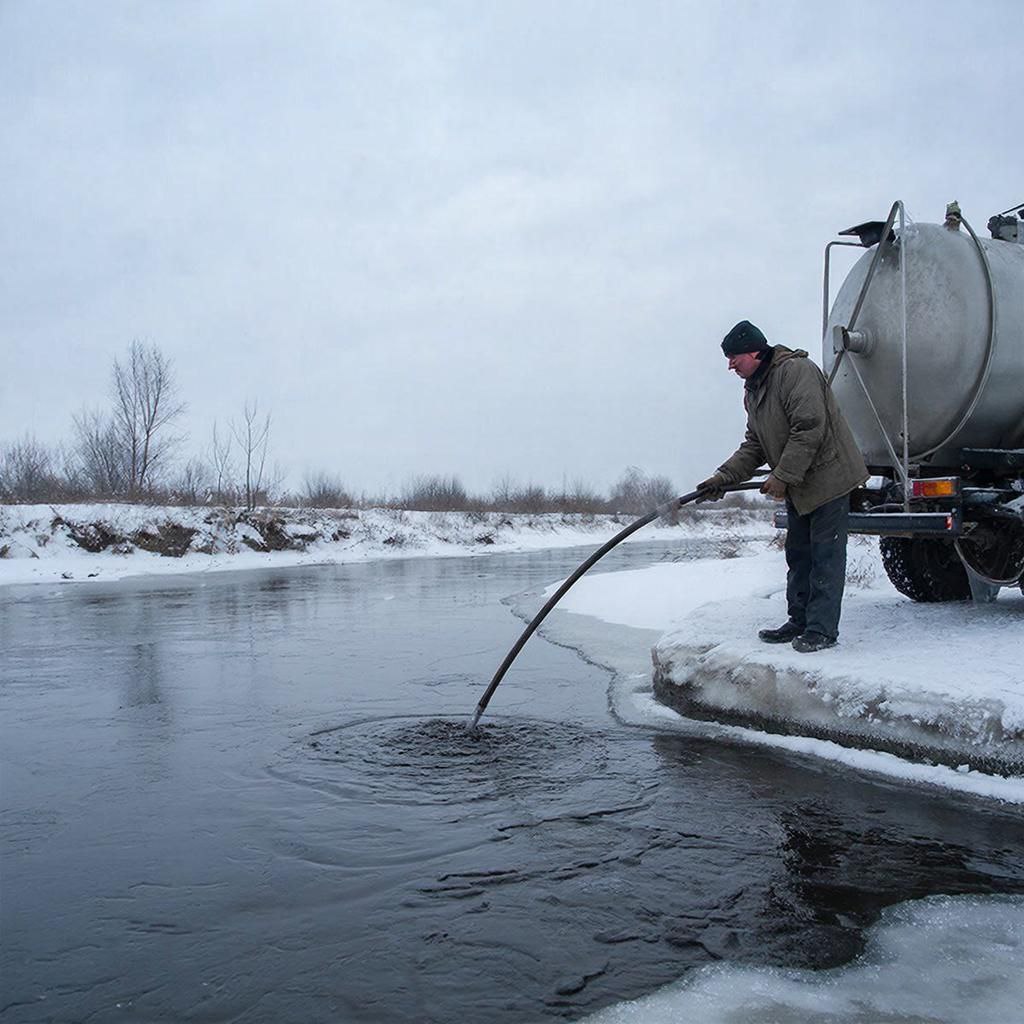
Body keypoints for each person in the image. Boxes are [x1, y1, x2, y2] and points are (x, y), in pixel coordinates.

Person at [699, 320, 868, 652]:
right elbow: (755, 445)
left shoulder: (796, 372)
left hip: (829, 478)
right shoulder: (754, 390)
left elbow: (809, 428)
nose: (730, 365)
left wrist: (782, 476)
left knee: (825, 557)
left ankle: (821, 630)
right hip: (799, 484)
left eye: (734, 357)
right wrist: (723, 477)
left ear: (753, 352)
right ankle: (799, 621)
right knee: (799, 555)